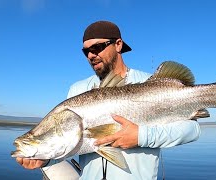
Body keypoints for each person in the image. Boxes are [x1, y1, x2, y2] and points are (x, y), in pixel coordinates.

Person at [16, 20, 201, 180]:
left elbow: (192, 130)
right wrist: (46, 158)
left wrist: (141, 136)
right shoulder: (77, 90)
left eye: (97, 48)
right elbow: (70, 143)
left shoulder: (151, 83)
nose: (90, 55)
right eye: (86, 51)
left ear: (118, 44)